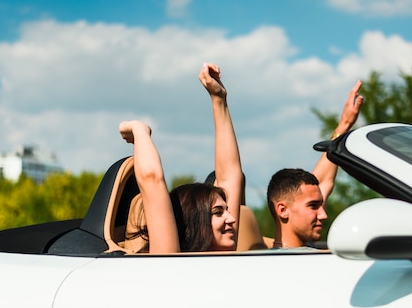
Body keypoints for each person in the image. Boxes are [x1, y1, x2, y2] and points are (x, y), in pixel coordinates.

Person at [119, 63, 243, 253]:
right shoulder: (170, 260)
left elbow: (231, 176)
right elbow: (152, 179)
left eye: (225, 210)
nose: (232, 218)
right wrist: (140, 131)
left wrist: (219, 98)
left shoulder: (226, 259)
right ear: (193, 223)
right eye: (218, 212)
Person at [267, 80, 364, 249]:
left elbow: (324, 179)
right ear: (283, 210)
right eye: (313, 206)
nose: (324, 214)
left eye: (320, 204)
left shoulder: (311, 254)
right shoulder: (270, 264)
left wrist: (344, 126)